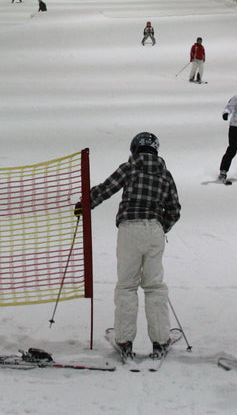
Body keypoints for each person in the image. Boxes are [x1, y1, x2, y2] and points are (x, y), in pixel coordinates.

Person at [80, 131, 181, 361]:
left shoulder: (129, 168)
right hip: (154, 229)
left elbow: (106, 189)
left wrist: (85, 204)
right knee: (154, 286)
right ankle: (160, 340)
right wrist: (161, 226)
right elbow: (174, 208)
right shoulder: (165, 174)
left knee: (127, 286)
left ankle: (125, 341)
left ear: (134, 149)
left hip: (129, 229)